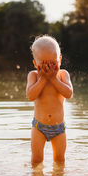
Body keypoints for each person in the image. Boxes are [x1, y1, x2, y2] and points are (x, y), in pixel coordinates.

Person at [26, 35, 73, 167]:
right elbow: (30, 96)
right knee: (36, 159)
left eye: (53, 63)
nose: (49, 68)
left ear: (60, 59)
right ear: (35, 64)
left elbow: (68, 94)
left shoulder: (63, 74)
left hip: (59, 128)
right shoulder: (34, 76)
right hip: (39, 128)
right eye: (44, 64)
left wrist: (53, 79)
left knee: (59, 160)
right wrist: (42, 80)